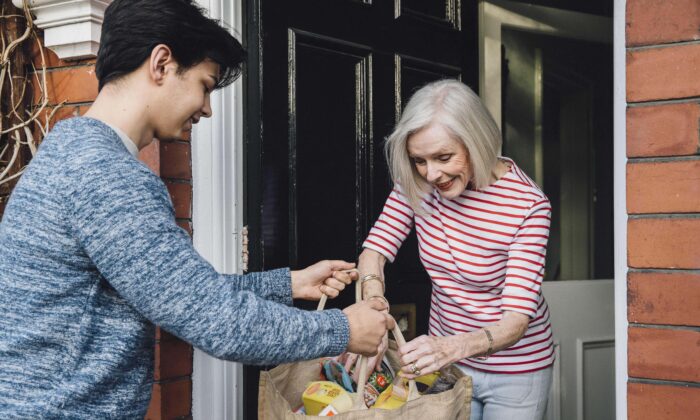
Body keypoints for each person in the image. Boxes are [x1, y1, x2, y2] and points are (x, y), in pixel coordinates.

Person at [0, 0, 393, 417]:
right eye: (205, 85)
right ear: (162, 63)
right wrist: (344, 329)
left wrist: (288, 284)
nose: (207, 108)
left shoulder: (75, 151)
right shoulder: (107, 176)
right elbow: (214, 319)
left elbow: (179, 292)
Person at [354, 79, 554, 419]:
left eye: (444, 157)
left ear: (477, 141)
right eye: (420, 160)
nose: (431, 174)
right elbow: (374, 250)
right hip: (447, 364)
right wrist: (374, 309)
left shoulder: (528, 206)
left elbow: (516, 320)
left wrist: (450, 347)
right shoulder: (415, 182)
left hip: (516, 370)